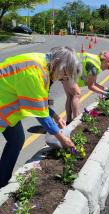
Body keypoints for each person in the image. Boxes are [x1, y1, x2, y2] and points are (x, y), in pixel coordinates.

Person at [0, 46, 81, 189]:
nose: (63, 79)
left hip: (5, 106)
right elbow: (40, 114)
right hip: (3, 104)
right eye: (64, 74)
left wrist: (56, 117)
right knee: (16, 140)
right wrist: (63, 139)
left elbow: (40, 101)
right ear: (56, 63)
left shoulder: (43, 65)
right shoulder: (34, 72)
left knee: (16, 139)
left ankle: (2, 182)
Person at [62, 50, 109, 124]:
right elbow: (91, 86)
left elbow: (93, 83)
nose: (107, 69)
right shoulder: (94, 66)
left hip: (65, 69)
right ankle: (75, 121)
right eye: (108, 66)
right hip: (68, 72)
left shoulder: (95, 60)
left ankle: (68, 120)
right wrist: (105, 93)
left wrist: (106, 89)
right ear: (105, 61)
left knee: (70, 96)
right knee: (77, 94)